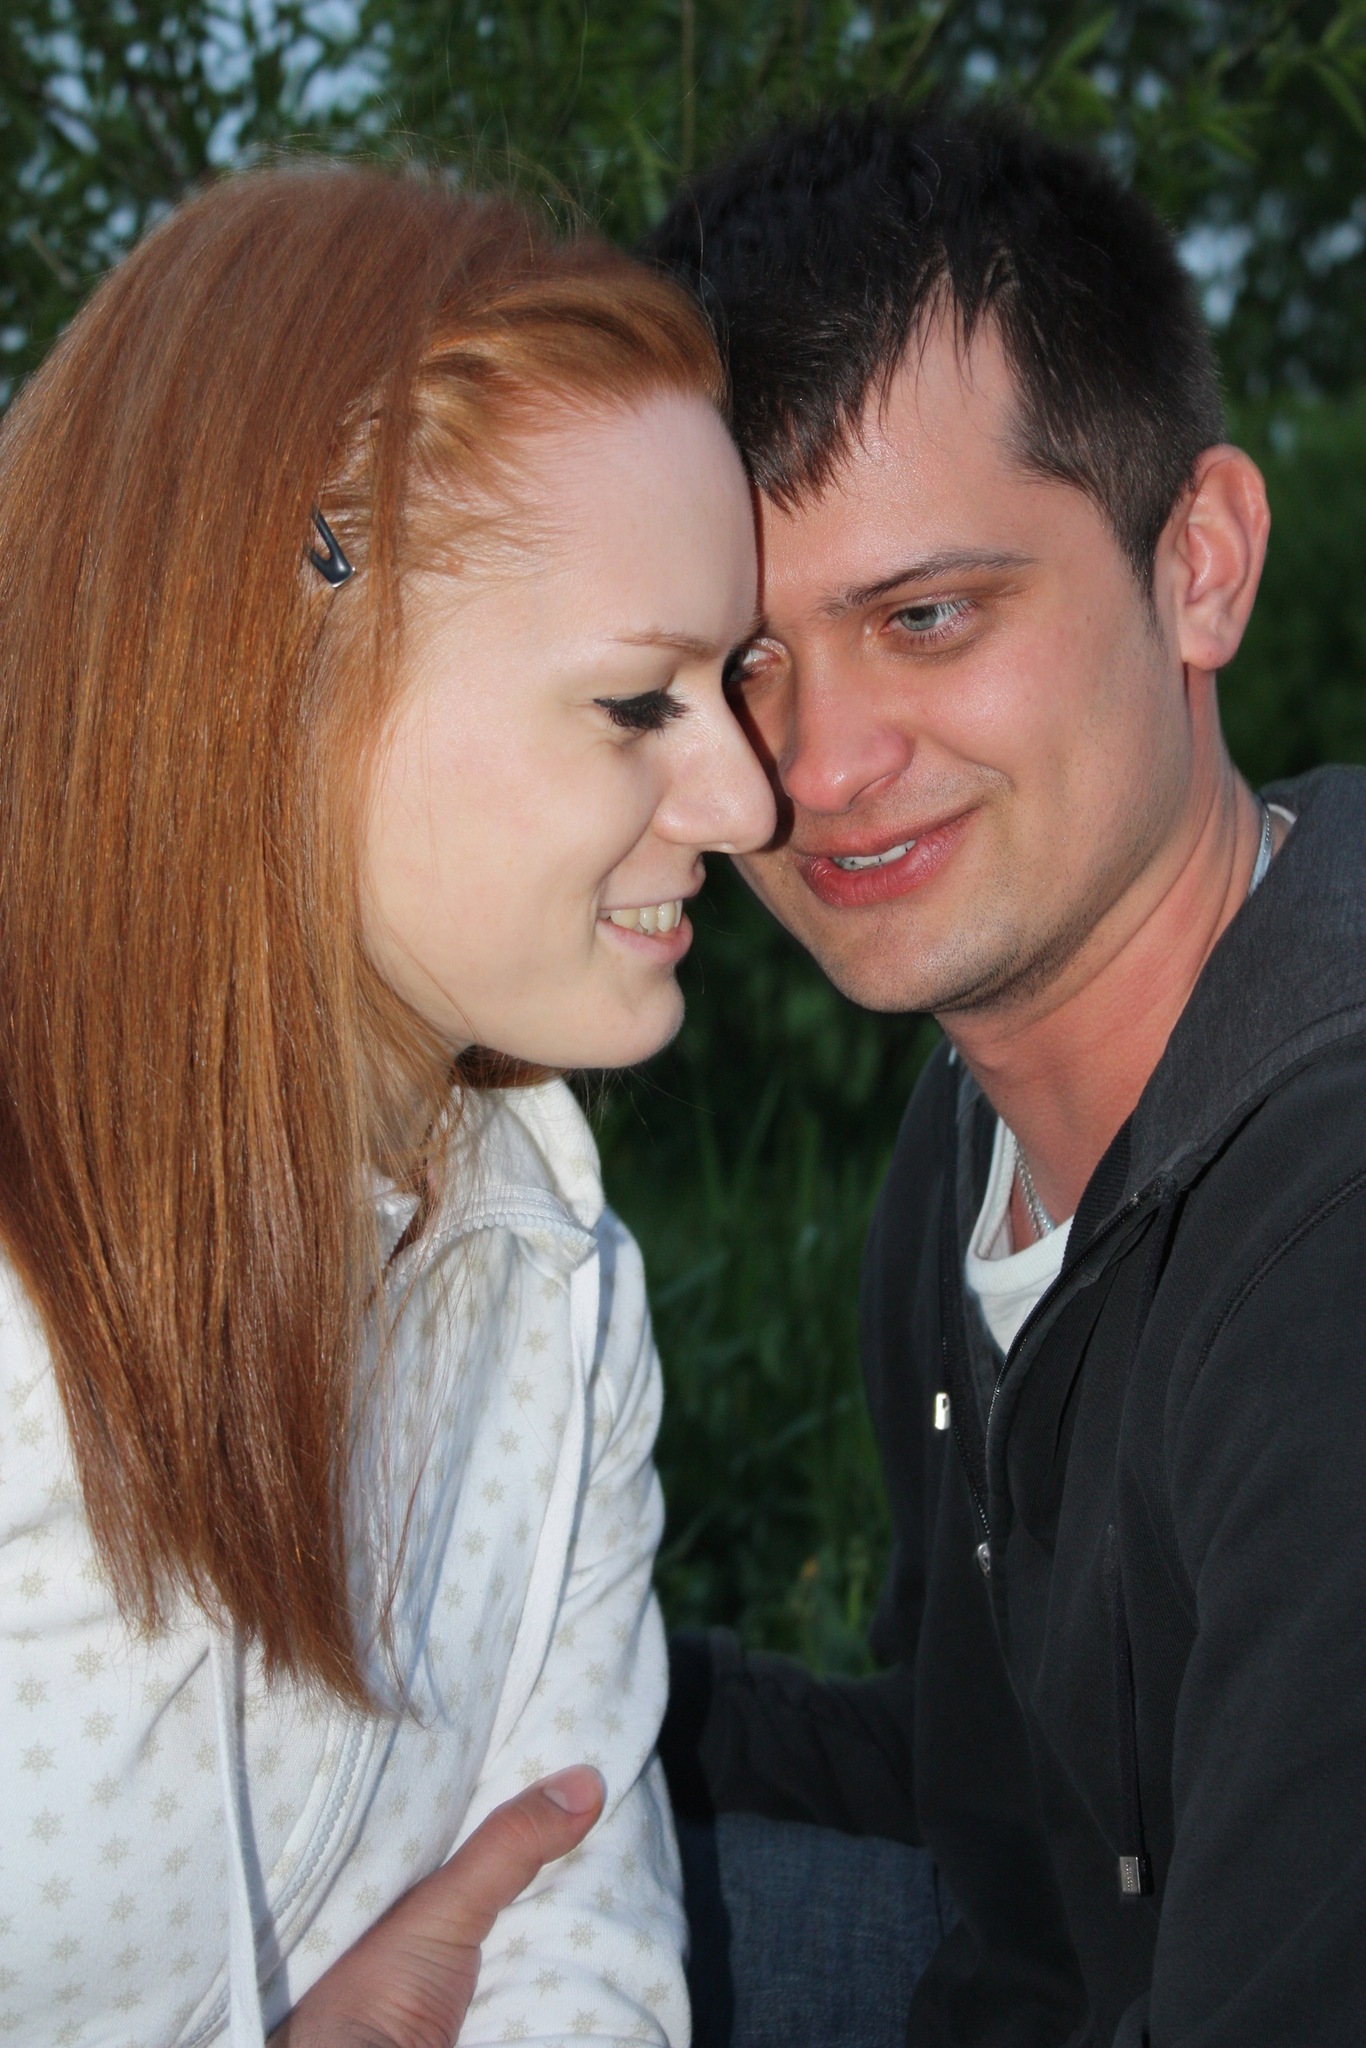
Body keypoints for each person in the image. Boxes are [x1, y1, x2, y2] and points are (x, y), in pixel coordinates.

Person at [0, 163, 775, 2045]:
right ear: (283, 673)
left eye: (731, 684)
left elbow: (575, 1912)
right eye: (636, 704)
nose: (748, 803)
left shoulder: (556, 1272)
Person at [646, 103, 1366, 2046]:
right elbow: (991, 1802)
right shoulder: (972, 1134)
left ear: (1197, 564)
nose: (814, 767)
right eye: (740, 663)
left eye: (924, 616)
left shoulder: (1324, 1243)